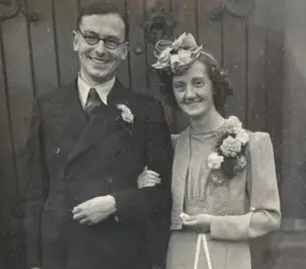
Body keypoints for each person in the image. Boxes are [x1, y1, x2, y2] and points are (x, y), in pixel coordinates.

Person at [20, 2, 173, 269]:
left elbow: (163, 194)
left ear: (124, 51)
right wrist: (35, 262)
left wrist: (116, 203)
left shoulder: (146, 109)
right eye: (91, 37)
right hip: (63, 254)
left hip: (122, 253)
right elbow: (35, 192)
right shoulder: (47, 105)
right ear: (75, 41)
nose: (100, 50)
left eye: (112, 42)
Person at [139, 33, 281, 269]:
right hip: (179, 258)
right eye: (180, 86)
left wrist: (214, 224)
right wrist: (141, 182)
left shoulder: (253, 143)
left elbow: (269, 218)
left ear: (214, 87)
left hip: (228, 259)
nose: (189, 94)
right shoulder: (170, 146)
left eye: (198, 83)